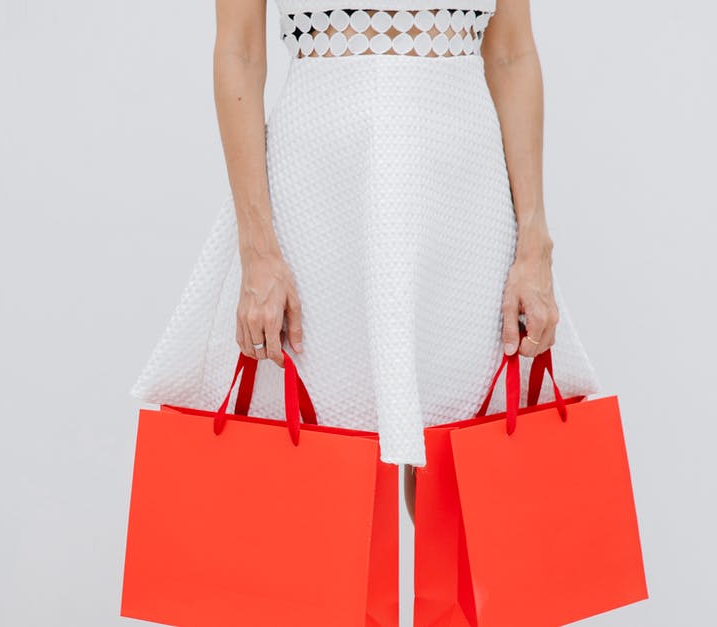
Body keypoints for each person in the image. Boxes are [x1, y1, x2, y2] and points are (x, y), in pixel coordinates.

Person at [128, 0, 602, 523]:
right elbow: (239, 51)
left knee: (464, 483)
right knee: (319, 480)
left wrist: (534, 245)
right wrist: (258, 250)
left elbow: (513, 53)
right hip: (320, 197)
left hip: (464, 204)